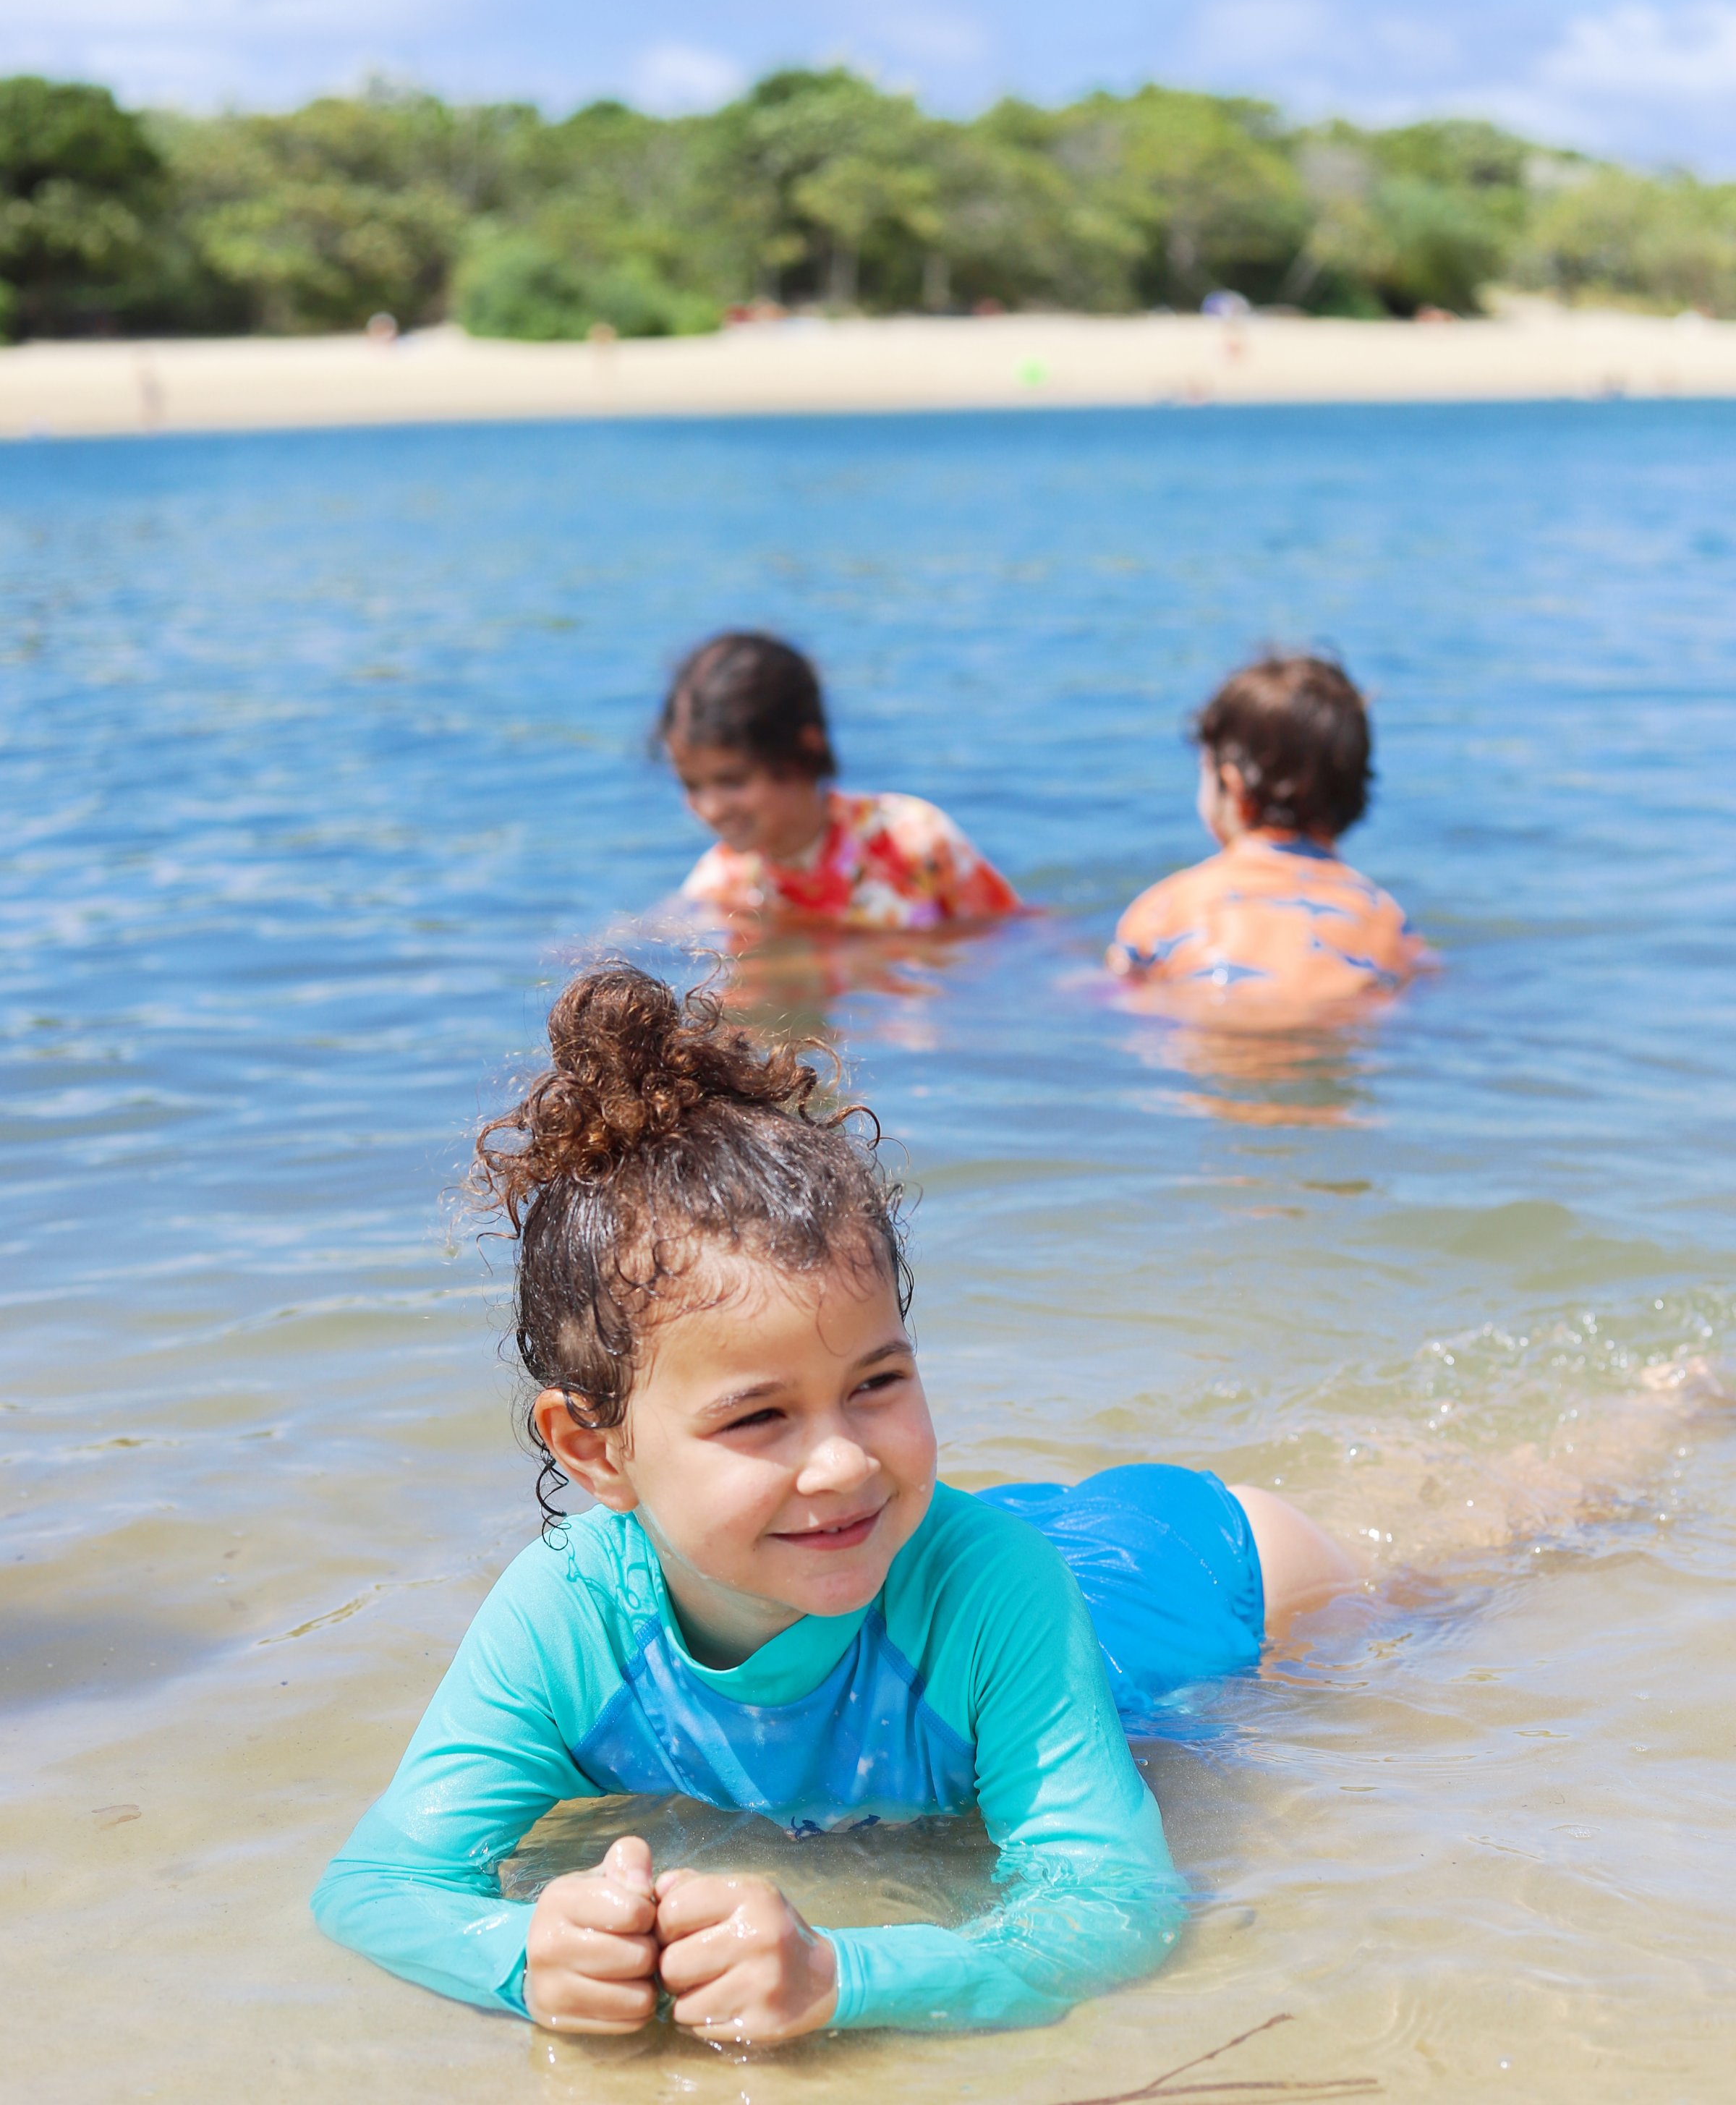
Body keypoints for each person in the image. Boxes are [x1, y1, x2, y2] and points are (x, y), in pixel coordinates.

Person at [312, 962, 1350, 2041]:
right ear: (595, 1450)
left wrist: (836, 1976)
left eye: (877, 1383)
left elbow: (1118, 1907)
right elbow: (375, 1884)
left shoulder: (995, 1597)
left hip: (1202, 1568)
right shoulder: (565, 1621)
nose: (845, 1464)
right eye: (760, 1416)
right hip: (946, 1547)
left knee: (1449, 1597)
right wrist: (526, 1957)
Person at [1107, 650, 1428, 1019]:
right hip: (1332, 1035)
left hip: (1215, 1036)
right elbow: (1422, 981)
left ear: (1232, 787)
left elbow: (1117, 988)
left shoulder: (1166, 907)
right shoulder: (1384, 917)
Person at [658, 632, 1022, 930]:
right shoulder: (721, 887)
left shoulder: (912, 839)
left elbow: (1011, 939)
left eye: (732, 781)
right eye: (692, 785)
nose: (711, 809)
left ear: (804, 751)